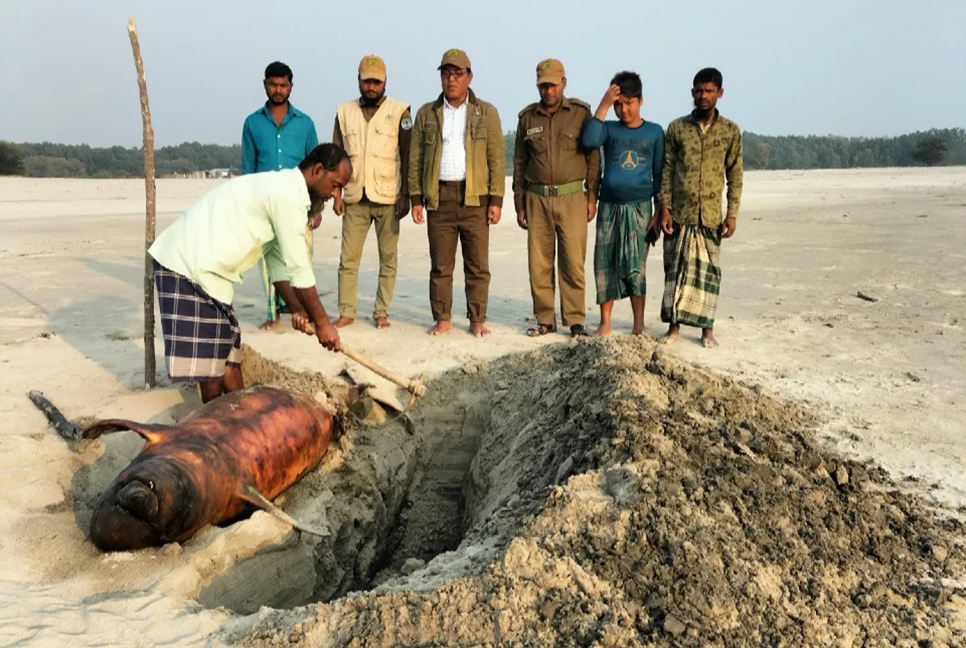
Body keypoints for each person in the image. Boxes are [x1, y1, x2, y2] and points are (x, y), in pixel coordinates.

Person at [148, 144, 350, 403]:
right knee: (210, 369)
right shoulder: (287, 195)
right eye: (335, 185)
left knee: (229, 356)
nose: (335, 195)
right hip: (188, 266)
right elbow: (299, 269)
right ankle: (217, 426)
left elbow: (278, 265)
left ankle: (242, 414)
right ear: (318, 170)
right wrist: (323, 324)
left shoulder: (287, 193)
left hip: (213, 276)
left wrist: (297, 309)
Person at [409, 48, 505, 337]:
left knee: (477, 265)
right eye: (446, 73)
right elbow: (415, 160)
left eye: (457, 74)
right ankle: (443, 318)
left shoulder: (486, 112)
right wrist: (416, 199)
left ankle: (477, 320)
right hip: (439, 198)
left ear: (469, 77)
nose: (451, 79)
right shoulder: (427, 113)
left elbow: (496, 158)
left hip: (475, 198)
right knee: (441, 266)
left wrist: (497, 200)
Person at [513, 59, 601, 338]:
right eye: (543, 86)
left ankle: (575, 321)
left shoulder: (580, 114)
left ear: (564, 83)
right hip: (536, 199)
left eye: (552, 85)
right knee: (539, 263)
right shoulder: (527, 118)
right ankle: (545, 319)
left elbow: (593, 157)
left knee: (573, 262)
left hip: (573, 197)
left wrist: (592, 196)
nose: (548, 91)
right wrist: (519, 204)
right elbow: (518, 162)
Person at [656, 67, 743, 348]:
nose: (703, 96)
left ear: (720, 93)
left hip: (710, 218)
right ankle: (674, 328)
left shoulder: (730, 131)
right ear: (692, 93)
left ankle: (707, 330)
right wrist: (664, 208)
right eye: (698, 91)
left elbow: (735, 175)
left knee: (709, 275)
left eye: (708, 91)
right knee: (676, 273)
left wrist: (732, 214)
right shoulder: (677, 128)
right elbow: (666, 170)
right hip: (679, 213)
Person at [332, 55, 412, 330]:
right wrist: (336, 195)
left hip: (389, 197)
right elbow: (336, 157)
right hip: (354, 197)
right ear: (359, 80)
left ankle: (382, 312)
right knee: (348, 260)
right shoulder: (344, 112)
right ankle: (346, 312)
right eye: (367, 81)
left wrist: (407, 196)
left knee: (388, 259)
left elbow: (408, 154)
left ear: (385, 82)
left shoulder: (401, 112)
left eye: (376, 82)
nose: (371, 87)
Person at [581, 71, 664, 336]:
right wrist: (604, 105)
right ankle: (605, 323)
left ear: (640, 100)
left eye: (628, 103)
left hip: (640, 207)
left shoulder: (654, 132)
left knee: (635, 266)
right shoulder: (608, 128)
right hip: (609, 206)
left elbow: (660, 173)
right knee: (605, 263)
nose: (623, 109)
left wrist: (660, 212)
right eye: (618, 104)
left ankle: (638, 324)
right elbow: (588, 140)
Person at [241, 61, 320, 330]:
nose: (278, 90)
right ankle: (272, 314)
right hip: (262, 204)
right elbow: (248, 168)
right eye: (273, 84)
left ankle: (302, 312)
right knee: (268, 262)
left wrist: (317, 208)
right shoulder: (252, 123)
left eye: (283, 85)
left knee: (299, 257)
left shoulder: (305, 124)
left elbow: (316, 169)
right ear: (265, 84)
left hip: (297, 204)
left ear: (291, 87)